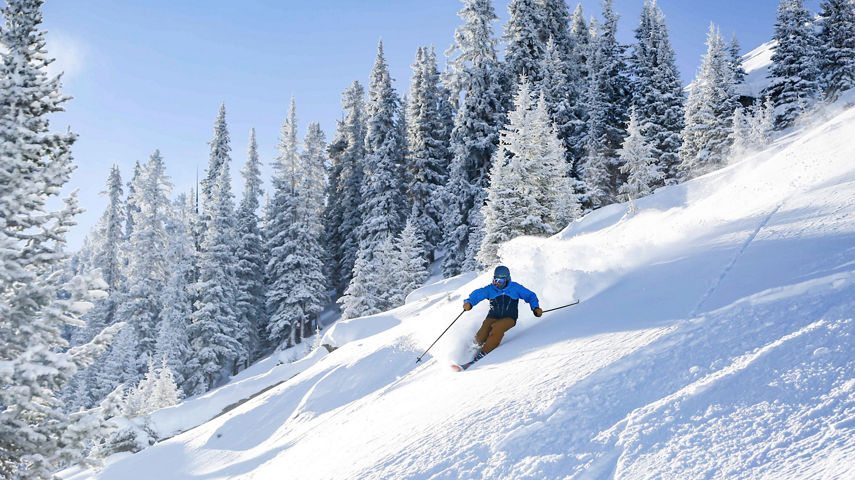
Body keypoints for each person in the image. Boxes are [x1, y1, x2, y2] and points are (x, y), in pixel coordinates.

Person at [456, 265, 542, 370]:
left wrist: (535, 308)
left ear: (506, 280)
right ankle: (471, 350)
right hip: (493, 316)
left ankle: (484, 352)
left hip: (509, 318)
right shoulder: (491, 289)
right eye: (495, 280)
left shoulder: (515, 288)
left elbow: (530, 296)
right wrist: (469, 303)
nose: (497, 283)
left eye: (500, 281)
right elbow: (478, 294)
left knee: (497, 327)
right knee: (483, 332)